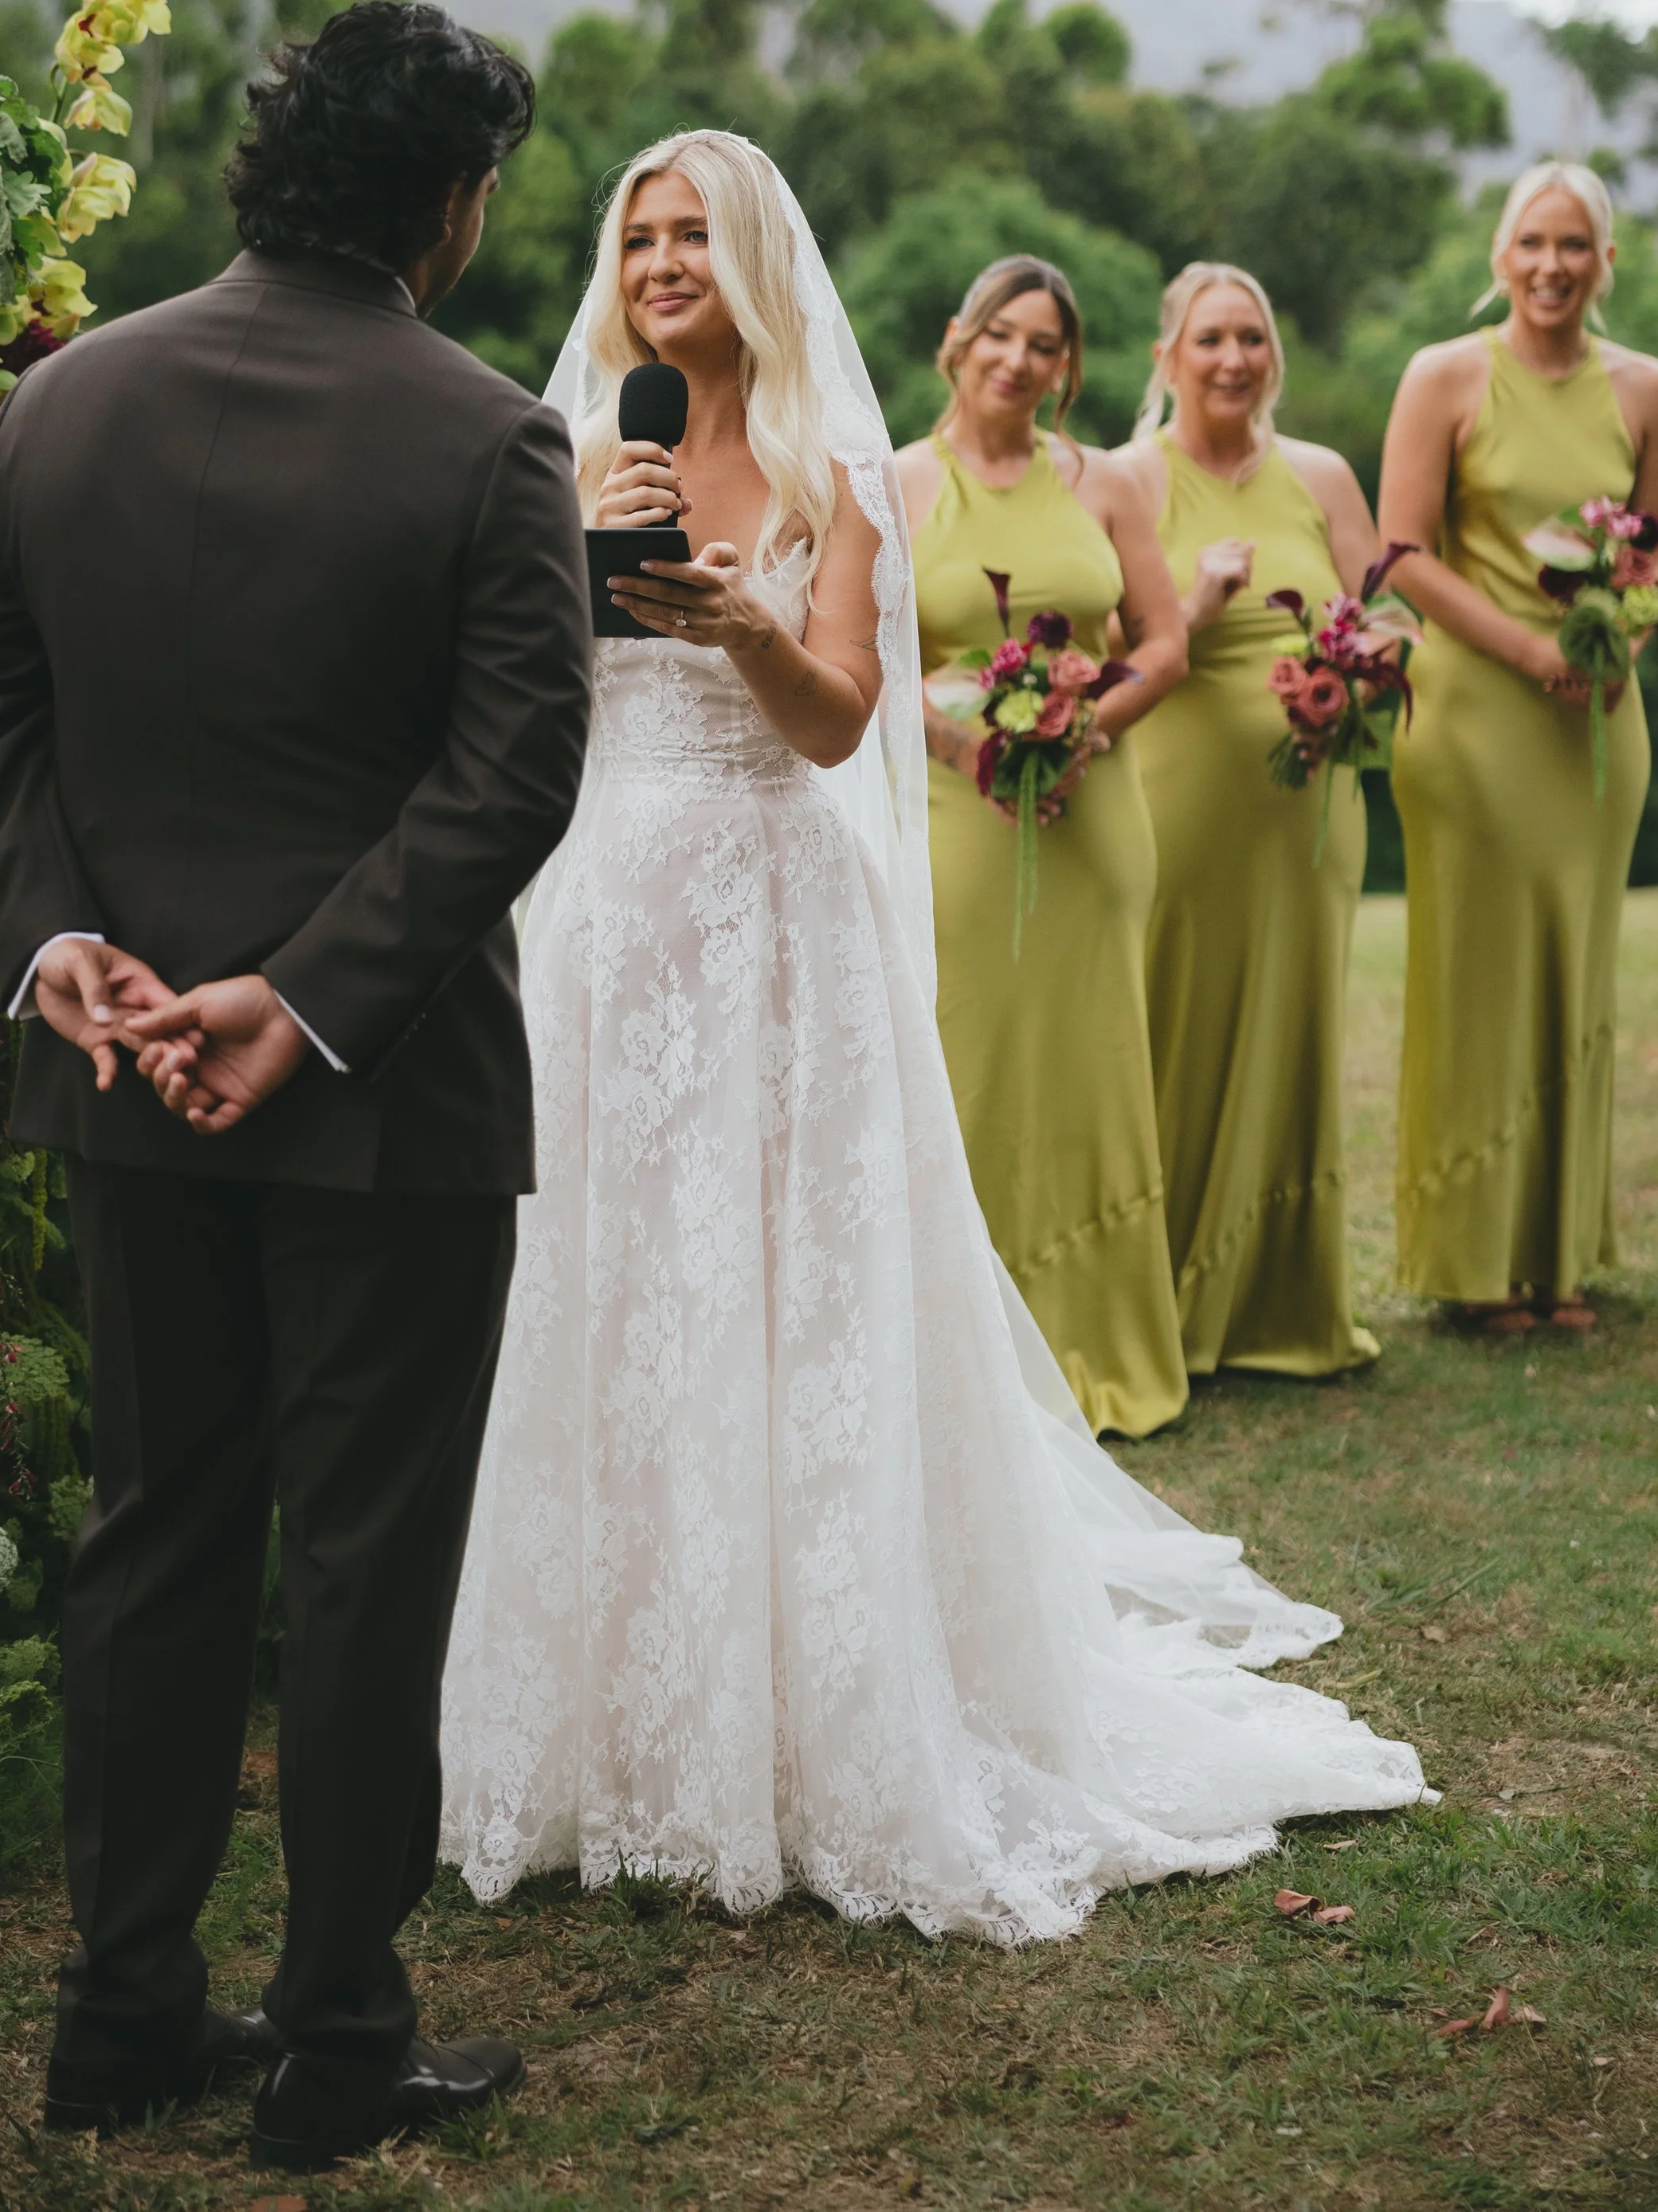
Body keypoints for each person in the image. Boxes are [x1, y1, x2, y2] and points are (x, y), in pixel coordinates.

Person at [439, 130, 1428, 1944]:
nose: (661, 262)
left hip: (777, 917)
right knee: (621, 1291)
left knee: (786, 1295)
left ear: (751, 257)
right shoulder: (573, 452)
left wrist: (738, 614)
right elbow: (520, 696)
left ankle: (814, 1705)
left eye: (693, 234)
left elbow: (833, 724)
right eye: (638, 235)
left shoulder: (839, 474)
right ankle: (621, 1719)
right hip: (611, 922)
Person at [0, 1, 594, 2175]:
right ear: (451, 198)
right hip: (380, 1103)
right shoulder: (492, 440)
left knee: (151, 1538)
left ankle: (117, 2021)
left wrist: (59, 948)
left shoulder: (59, 402)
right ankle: (328, 2039)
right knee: (367, 1568)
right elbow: (516, 776)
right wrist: (299, 1001)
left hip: (118, 1079)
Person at [1377, 162, 1658, 1333]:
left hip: (1600, 719)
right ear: (1500, 257)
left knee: (1578, 967)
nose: (1553, 265)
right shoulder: (1443, 377)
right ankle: (1474, 1260)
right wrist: (1527, 649)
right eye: (1533, 243)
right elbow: (1403, 551)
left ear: (1605, 263)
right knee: (1482, 974)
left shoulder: (1648, 389)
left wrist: (1618, 636)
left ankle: (1560, 1259)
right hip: (1474, 712)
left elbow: (1652, 549)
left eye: (1576, 245)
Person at [894, 259, 1190, 1440]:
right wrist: (962, 740)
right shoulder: (895, 481)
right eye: (1000, 335)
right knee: (970, 1058)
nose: (1019, 359)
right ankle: (967, 1353)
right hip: (955, 809)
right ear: (956, 340)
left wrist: (1083, 730)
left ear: (1068, 368)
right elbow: (868, 660)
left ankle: (1104, 1344)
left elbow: (1163, 642)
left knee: (1096, 1060)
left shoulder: (1106, 482)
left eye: (1045, 345)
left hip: (1093, 814)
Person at [1124, 264, 1382, 1383]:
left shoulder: (1320, 473)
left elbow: (1393, 607)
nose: (1234, 358)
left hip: (1311, 807)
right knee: (1174, 1025)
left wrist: (1368, 665)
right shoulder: (1127, 479)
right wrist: (1200, 605)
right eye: (1211, 338)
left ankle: (1284, 1297)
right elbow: (1111, 653)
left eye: (1253, 338)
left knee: (1296, 1024)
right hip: (1176, 801)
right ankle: (1164, 1300)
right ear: (1167, 355)